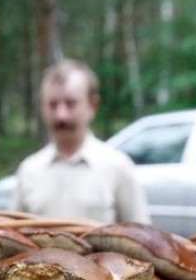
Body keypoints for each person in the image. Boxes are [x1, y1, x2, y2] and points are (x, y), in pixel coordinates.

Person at [14, 58, 150, 224]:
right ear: (42, 107)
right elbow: (13, 238)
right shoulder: (29, 170)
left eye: (71, 104)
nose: (61, 115)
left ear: (92, 105)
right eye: (53, 104)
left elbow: (143, 239)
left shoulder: (117, 167)